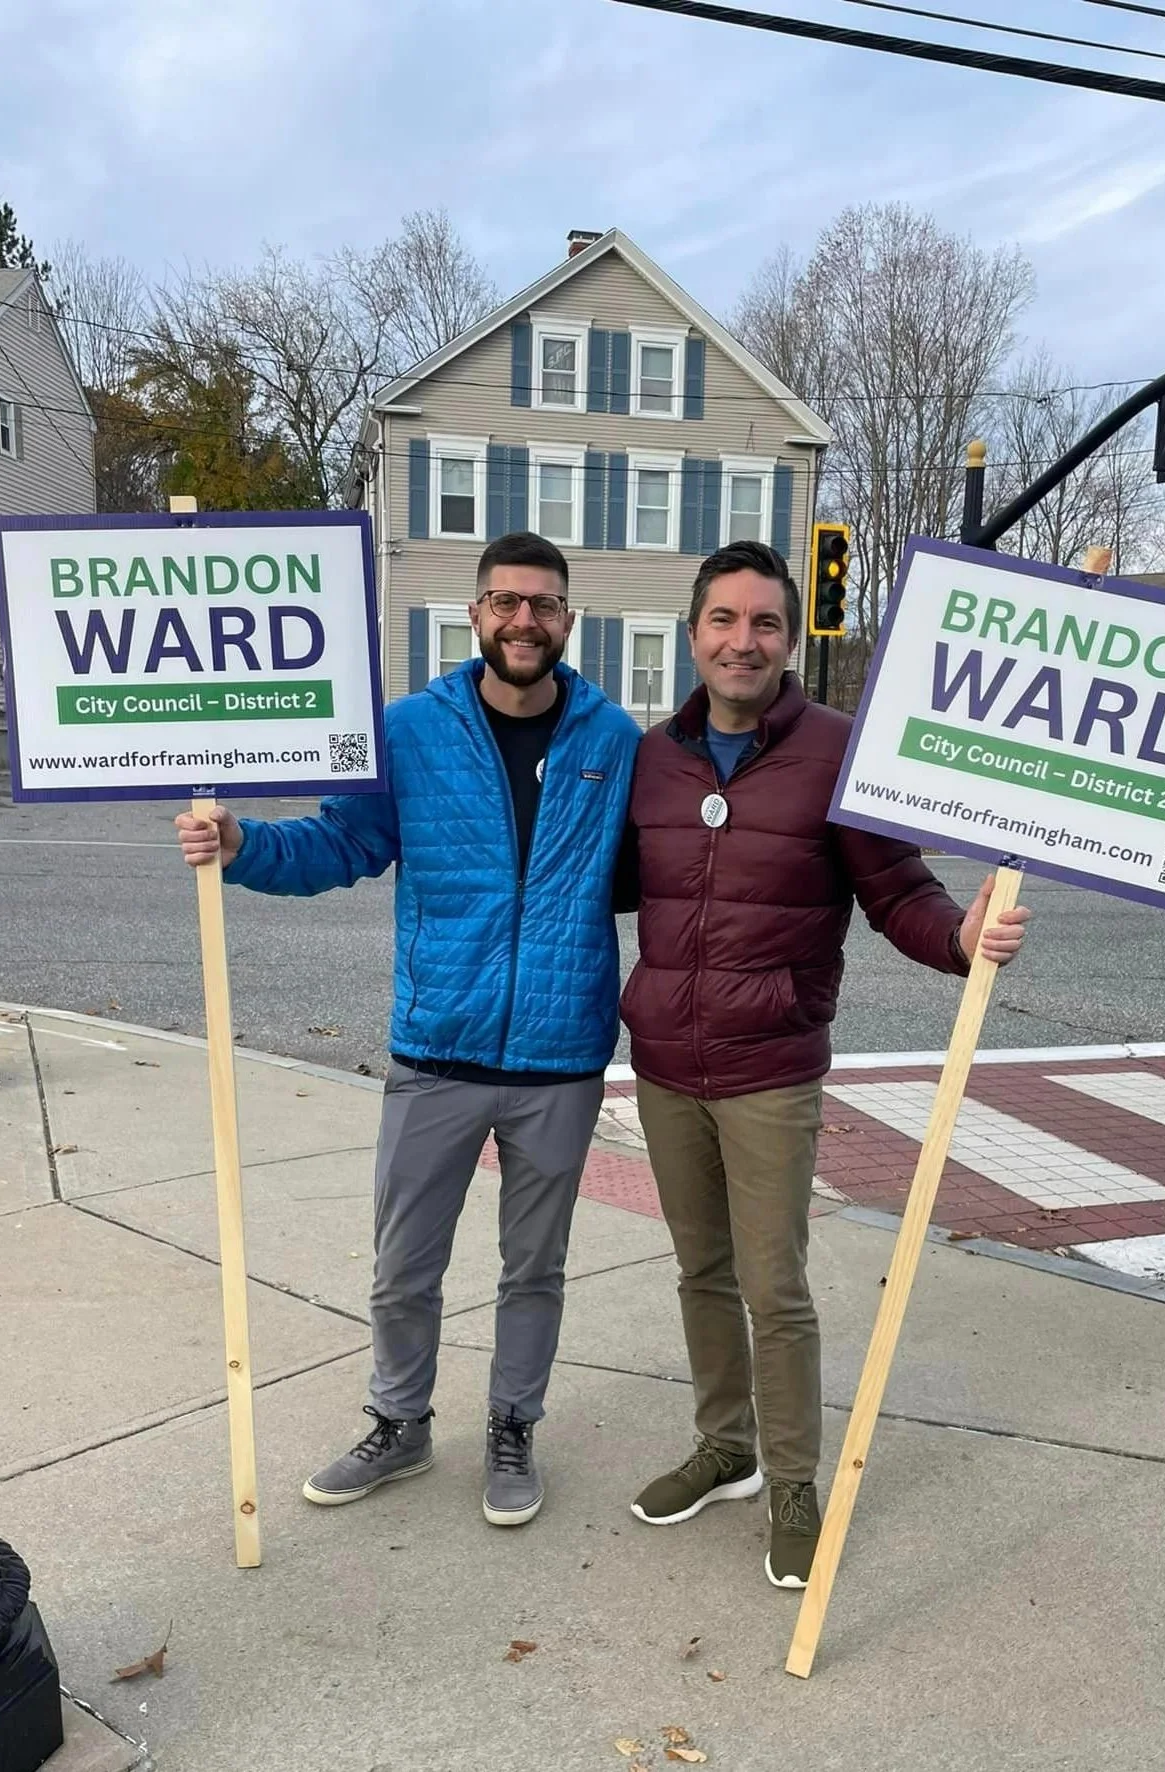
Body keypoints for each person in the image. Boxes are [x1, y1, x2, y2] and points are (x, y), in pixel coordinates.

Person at [175, 532, 639, 1527]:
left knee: (535, 1268)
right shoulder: (413, 731)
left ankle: (513, 1424)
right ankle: (399, 1422)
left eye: (545, 604)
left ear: (568, 618)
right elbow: (342, 840)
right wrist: (241, 842)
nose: (526, 619)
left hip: (559, 1059)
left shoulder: (614, 741)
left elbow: (672, 865)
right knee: (403, 1265)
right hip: (437, 1050)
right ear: (475, 615)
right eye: (507, 601)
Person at [621, 539, 1030, 1590]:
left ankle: (793, 1481)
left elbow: (898, 889)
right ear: (694, 631)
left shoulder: (841, 751)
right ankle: (727, 1445)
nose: (741, 640)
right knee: (699, 1270)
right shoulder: (653, 756)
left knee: (774, 1284)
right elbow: (610, 879)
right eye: (724, 619)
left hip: (770, 1067)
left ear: (789, 639)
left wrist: (958, 933)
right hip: (664, 1061)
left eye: (763, 622)